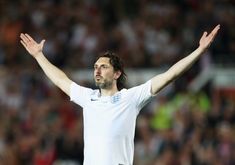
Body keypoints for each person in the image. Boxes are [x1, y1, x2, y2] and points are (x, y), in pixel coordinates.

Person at [20, 24, 220, 165]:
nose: (97, 70)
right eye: (95, 66)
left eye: (103, 66)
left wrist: (199, 51)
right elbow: (61, 80)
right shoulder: (88, 98)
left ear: (116, 73)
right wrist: (39, 55)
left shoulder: (130, 98)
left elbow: (169, 75)